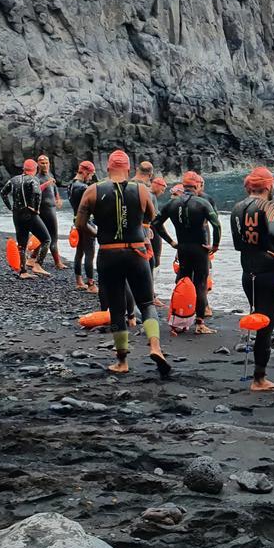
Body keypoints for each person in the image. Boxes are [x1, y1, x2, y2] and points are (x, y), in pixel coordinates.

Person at [75, 149, 171, 377]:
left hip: (108, 254)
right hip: (136, 253)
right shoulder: (141, 190)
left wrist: (96, 233)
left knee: (117, 308)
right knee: (147, 303)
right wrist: (140, 228)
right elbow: (152, 217)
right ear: (128, 169)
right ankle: (156, 347)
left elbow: (80, 224)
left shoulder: (92, 190)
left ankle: (122, 361)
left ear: (107, 168)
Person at [231, 167, 274, 392]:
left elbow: (238, 245)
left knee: (258, 320)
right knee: (266, 326)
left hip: (248, 272)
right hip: (269, 273)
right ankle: (259, 379)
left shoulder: (237, 207)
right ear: (269, 186)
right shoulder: (268, 206)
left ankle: (258, 376)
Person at [153, 170, 221, 335]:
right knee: (200, 284)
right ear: (197, 185)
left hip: (182, 248)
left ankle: (177, 320)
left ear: (184, 186)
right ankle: (199, 323)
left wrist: (171, 242)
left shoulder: (172, 203)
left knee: (182, 281)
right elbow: (216, 225)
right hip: (200, 249)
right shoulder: (202, 203)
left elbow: (156, 223)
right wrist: (215, 245)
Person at [0, 159, 51, 279]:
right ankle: (38, 265)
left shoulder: (14, 180)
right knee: (46, 239)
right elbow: (37, 193)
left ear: (24, 169)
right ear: (35, 169)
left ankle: (23, 271)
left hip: (17, 215)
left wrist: (10, 207)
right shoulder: (33, 179)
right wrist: (37, 209)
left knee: (22, 244)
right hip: (29, 214)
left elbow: (3, 193)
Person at [68, 161, 99, 292]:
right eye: (91, 174)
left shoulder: (71, 184)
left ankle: (79, 281)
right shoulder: (83, 188)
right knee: (89, 253)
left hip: (76, 221)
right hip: (86, 222)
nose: (91, 177)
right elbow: (92, 206)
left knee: (79, 252)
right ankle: (91, 284)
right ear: (85, 172)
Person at [31, 154, 66, 270]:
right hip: (45, 210)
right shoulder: (37, 178)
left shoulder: (49, 176)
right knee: (52, 237)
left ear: (49, 164)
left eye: (46, 163)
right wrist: (47, 184)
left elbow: (54, 187)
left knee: (43, 236)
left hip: (51, 208)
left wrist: (58, 198)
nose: (45, 165)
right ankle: (57, 262)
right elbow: (36, 190)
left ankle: (32, 257)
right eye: (42, 163)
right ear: (38, 165)